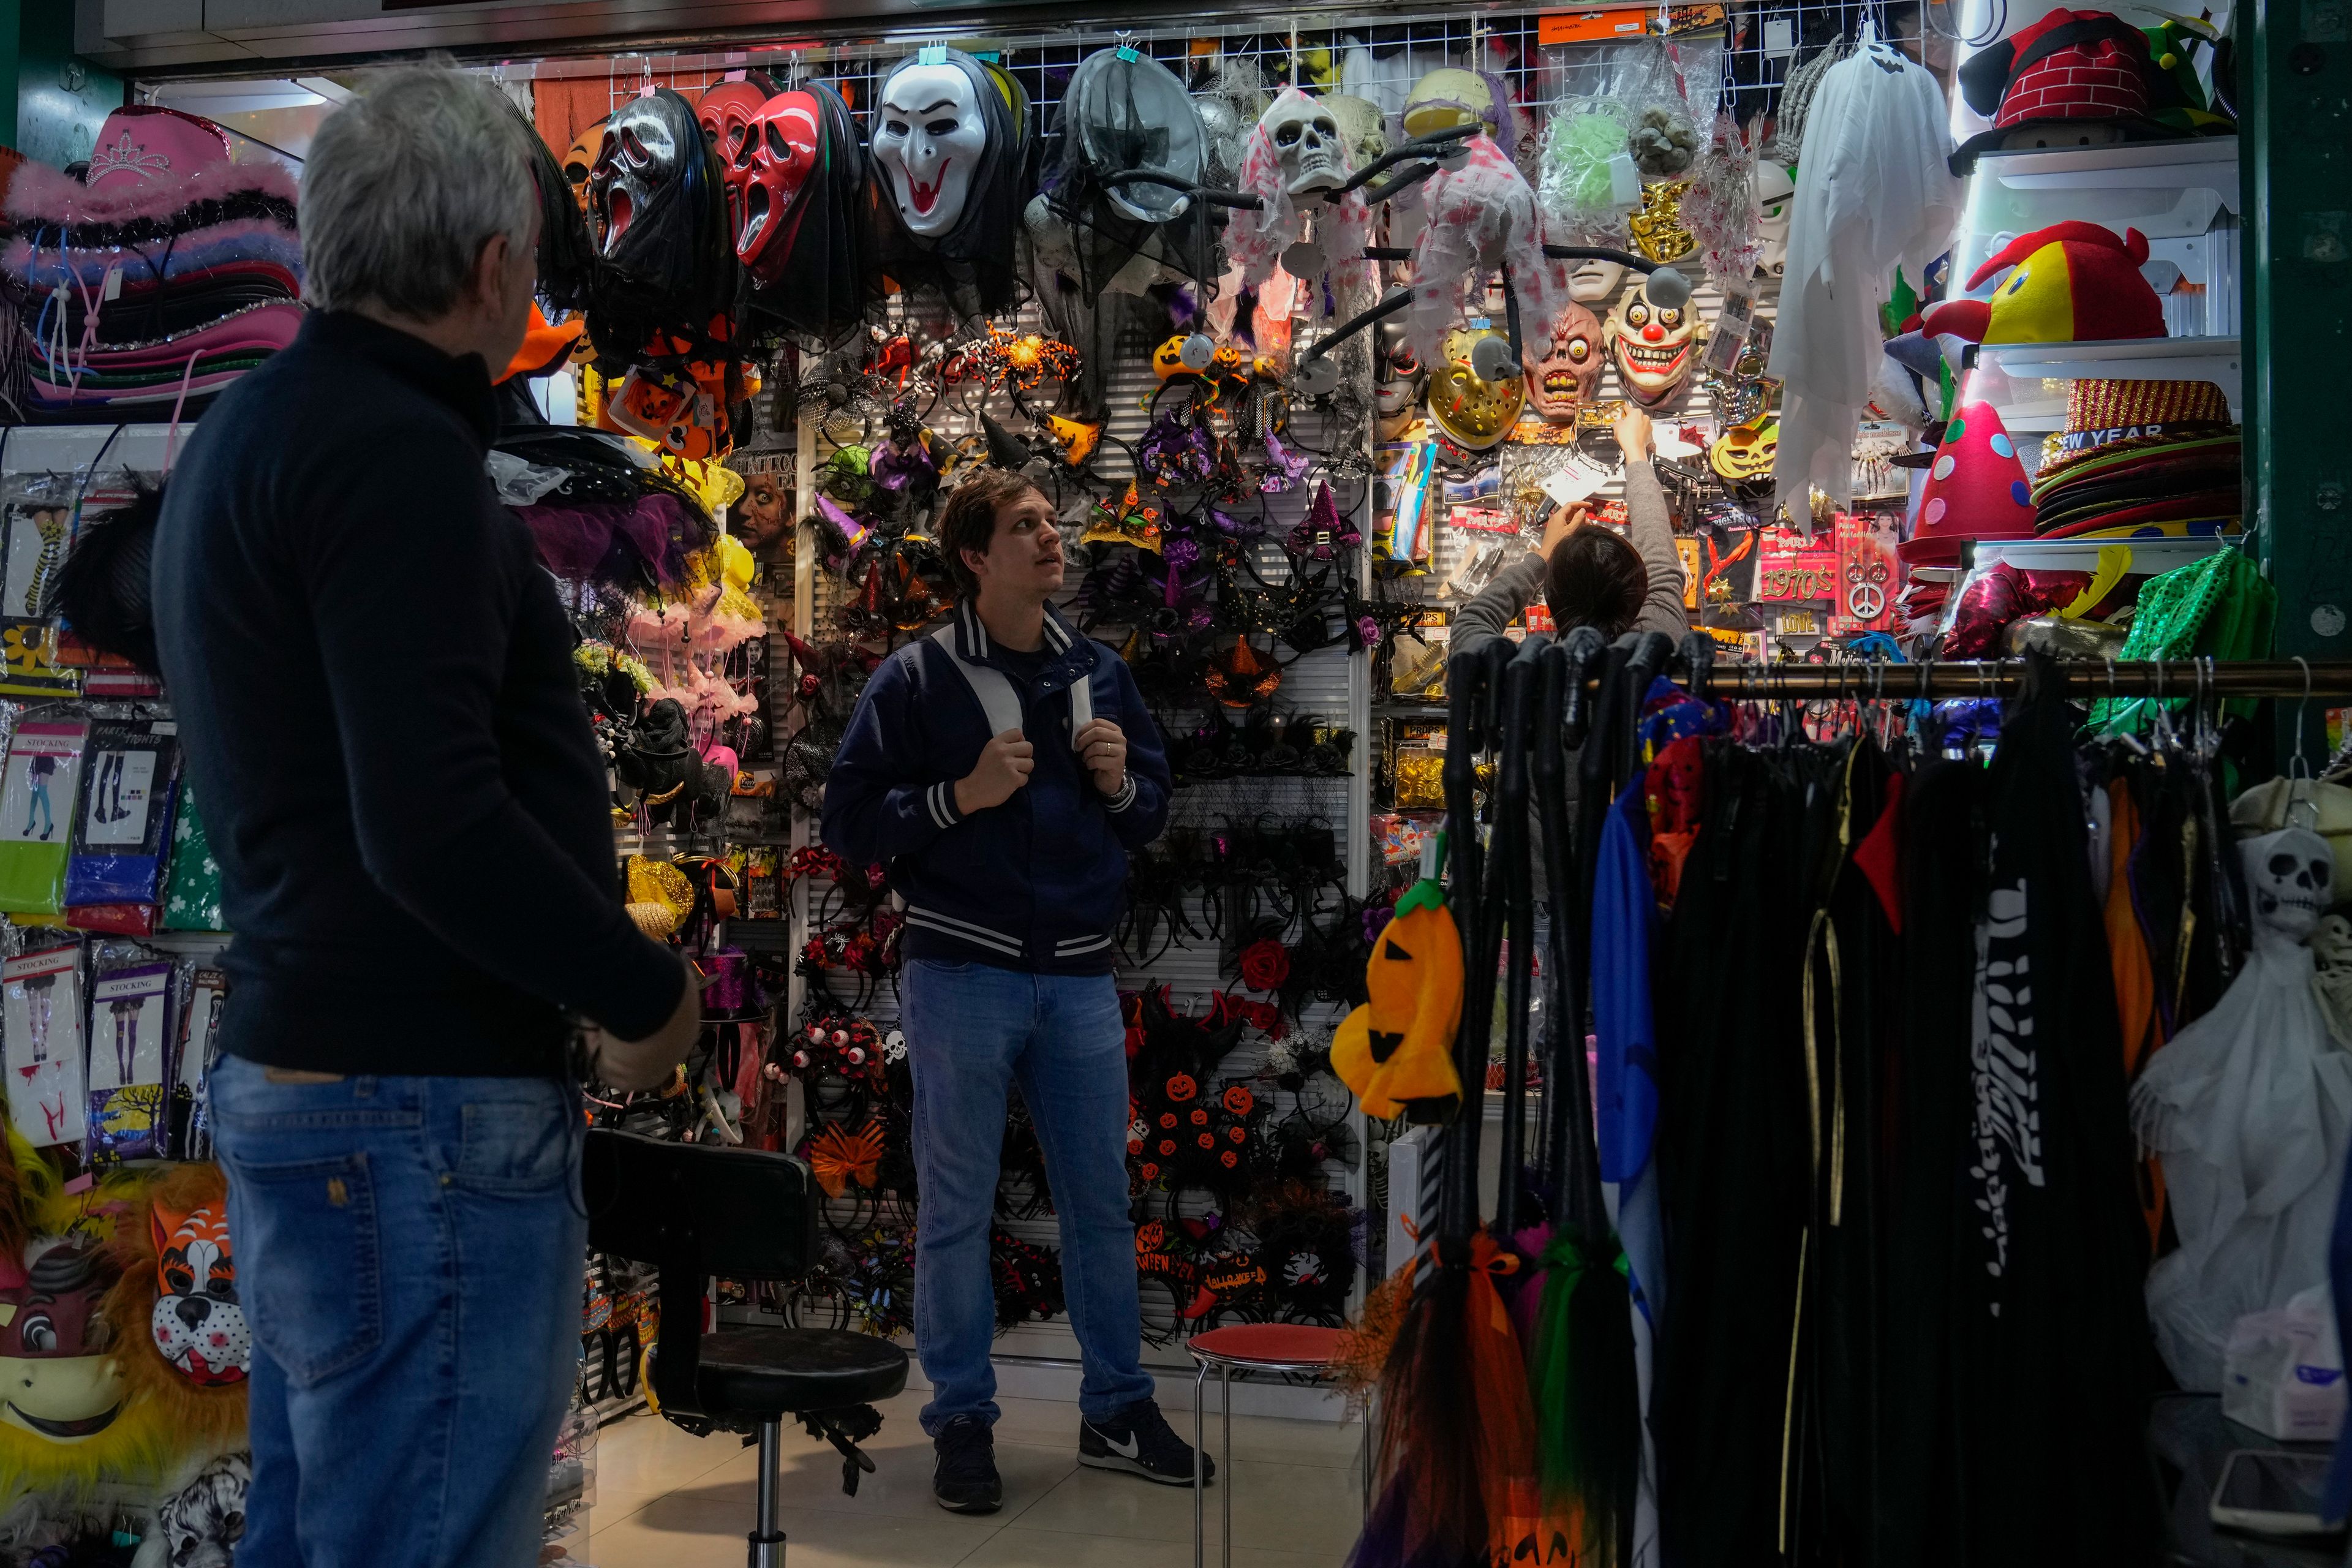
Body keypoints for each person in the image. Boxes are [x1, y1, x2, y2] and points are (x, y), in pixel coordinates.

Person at [149, 69, 700, 1568]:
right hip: (419, 1115)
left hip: (323, 1088)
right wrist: (641, 986)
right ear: (492, 270)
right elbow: (432, 820)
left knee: (331, 1527)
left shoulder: (250, 434)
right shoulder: (397, 461)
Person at [823, 469, 1209, 1513]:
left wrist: (1124, 783)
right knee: (955, 1210)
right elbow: (849, 826)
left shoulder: (1101, 673)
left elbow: (1149, 815)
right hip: (961, 974)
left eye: (1052, 521)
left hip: (1079, 978)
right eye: (1024, 526)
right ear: (976, 558)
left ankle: (1117, 1409)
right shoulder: (915, 679)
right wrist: (958, 797)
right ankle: (959, 1424)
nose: (1052, 537)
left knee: (1101, 1207)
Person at [1452, 404, 1689, 658]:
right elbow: (1659, 556)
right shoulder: (1664, 637)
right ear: (1642, 590)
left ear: (1549, 600)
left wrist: (1542, 557)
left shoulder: (1528, 678)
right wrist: (1635, 450)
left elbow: (1469, 623)